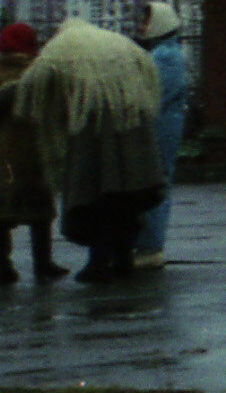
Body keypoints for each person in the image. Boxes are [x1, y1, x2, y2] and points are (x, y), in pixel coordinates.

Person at [14, 18, 165, 280]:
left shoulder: (63, 45)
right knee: (126, 200)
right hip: (133, 128)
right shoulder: (120, 43)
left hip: (93, 132)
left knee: (97, 199)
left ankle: (98, 263)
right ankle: (122, 260)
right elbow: (149, 73)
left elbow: (31, 86)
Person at [0, 24, 66, 282]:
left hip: (4, 154)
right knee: (40, 212)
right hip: (35, 150)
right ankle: (43, 263)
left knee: (2, 214)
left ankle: (3, 266)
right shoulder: (39, 71)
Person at [133, 2, 189, 269]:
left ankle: (150, 247)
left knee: (155, 183)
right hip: (164, 124)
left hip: (161, 127)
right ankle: (147, 244)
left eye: (146, 22)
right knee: (155, 182)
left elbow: (149, 93)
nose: (141, 27)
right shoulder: (164, 52)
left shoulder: (164, 56)